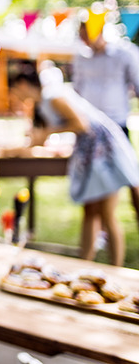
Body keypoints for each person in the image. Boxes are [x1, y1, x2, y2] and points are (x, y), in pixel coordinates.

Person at [11, 61, 139, 266]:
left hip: (103, 150)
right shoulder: (43, 103)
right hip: (91, 153)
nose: (15, 94)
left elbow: (82, 124)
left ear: (24, 84)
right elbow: (41, 137)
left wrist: (49, 132)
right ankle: (84, 265)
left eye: (15, 88)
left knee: (107, 213)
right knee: (89, 211)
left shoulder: (53, 96)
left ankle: (117, 269)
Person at [72, 23, 139, 221]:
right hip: (89, 129)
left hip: (116, 126)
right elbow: (77, 91)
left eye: (86, 33)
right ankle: (99, 234)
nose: (84, 39)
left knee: (131, 179)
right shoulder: (81, 58)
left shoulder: (124, 53)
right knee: (92, 186)